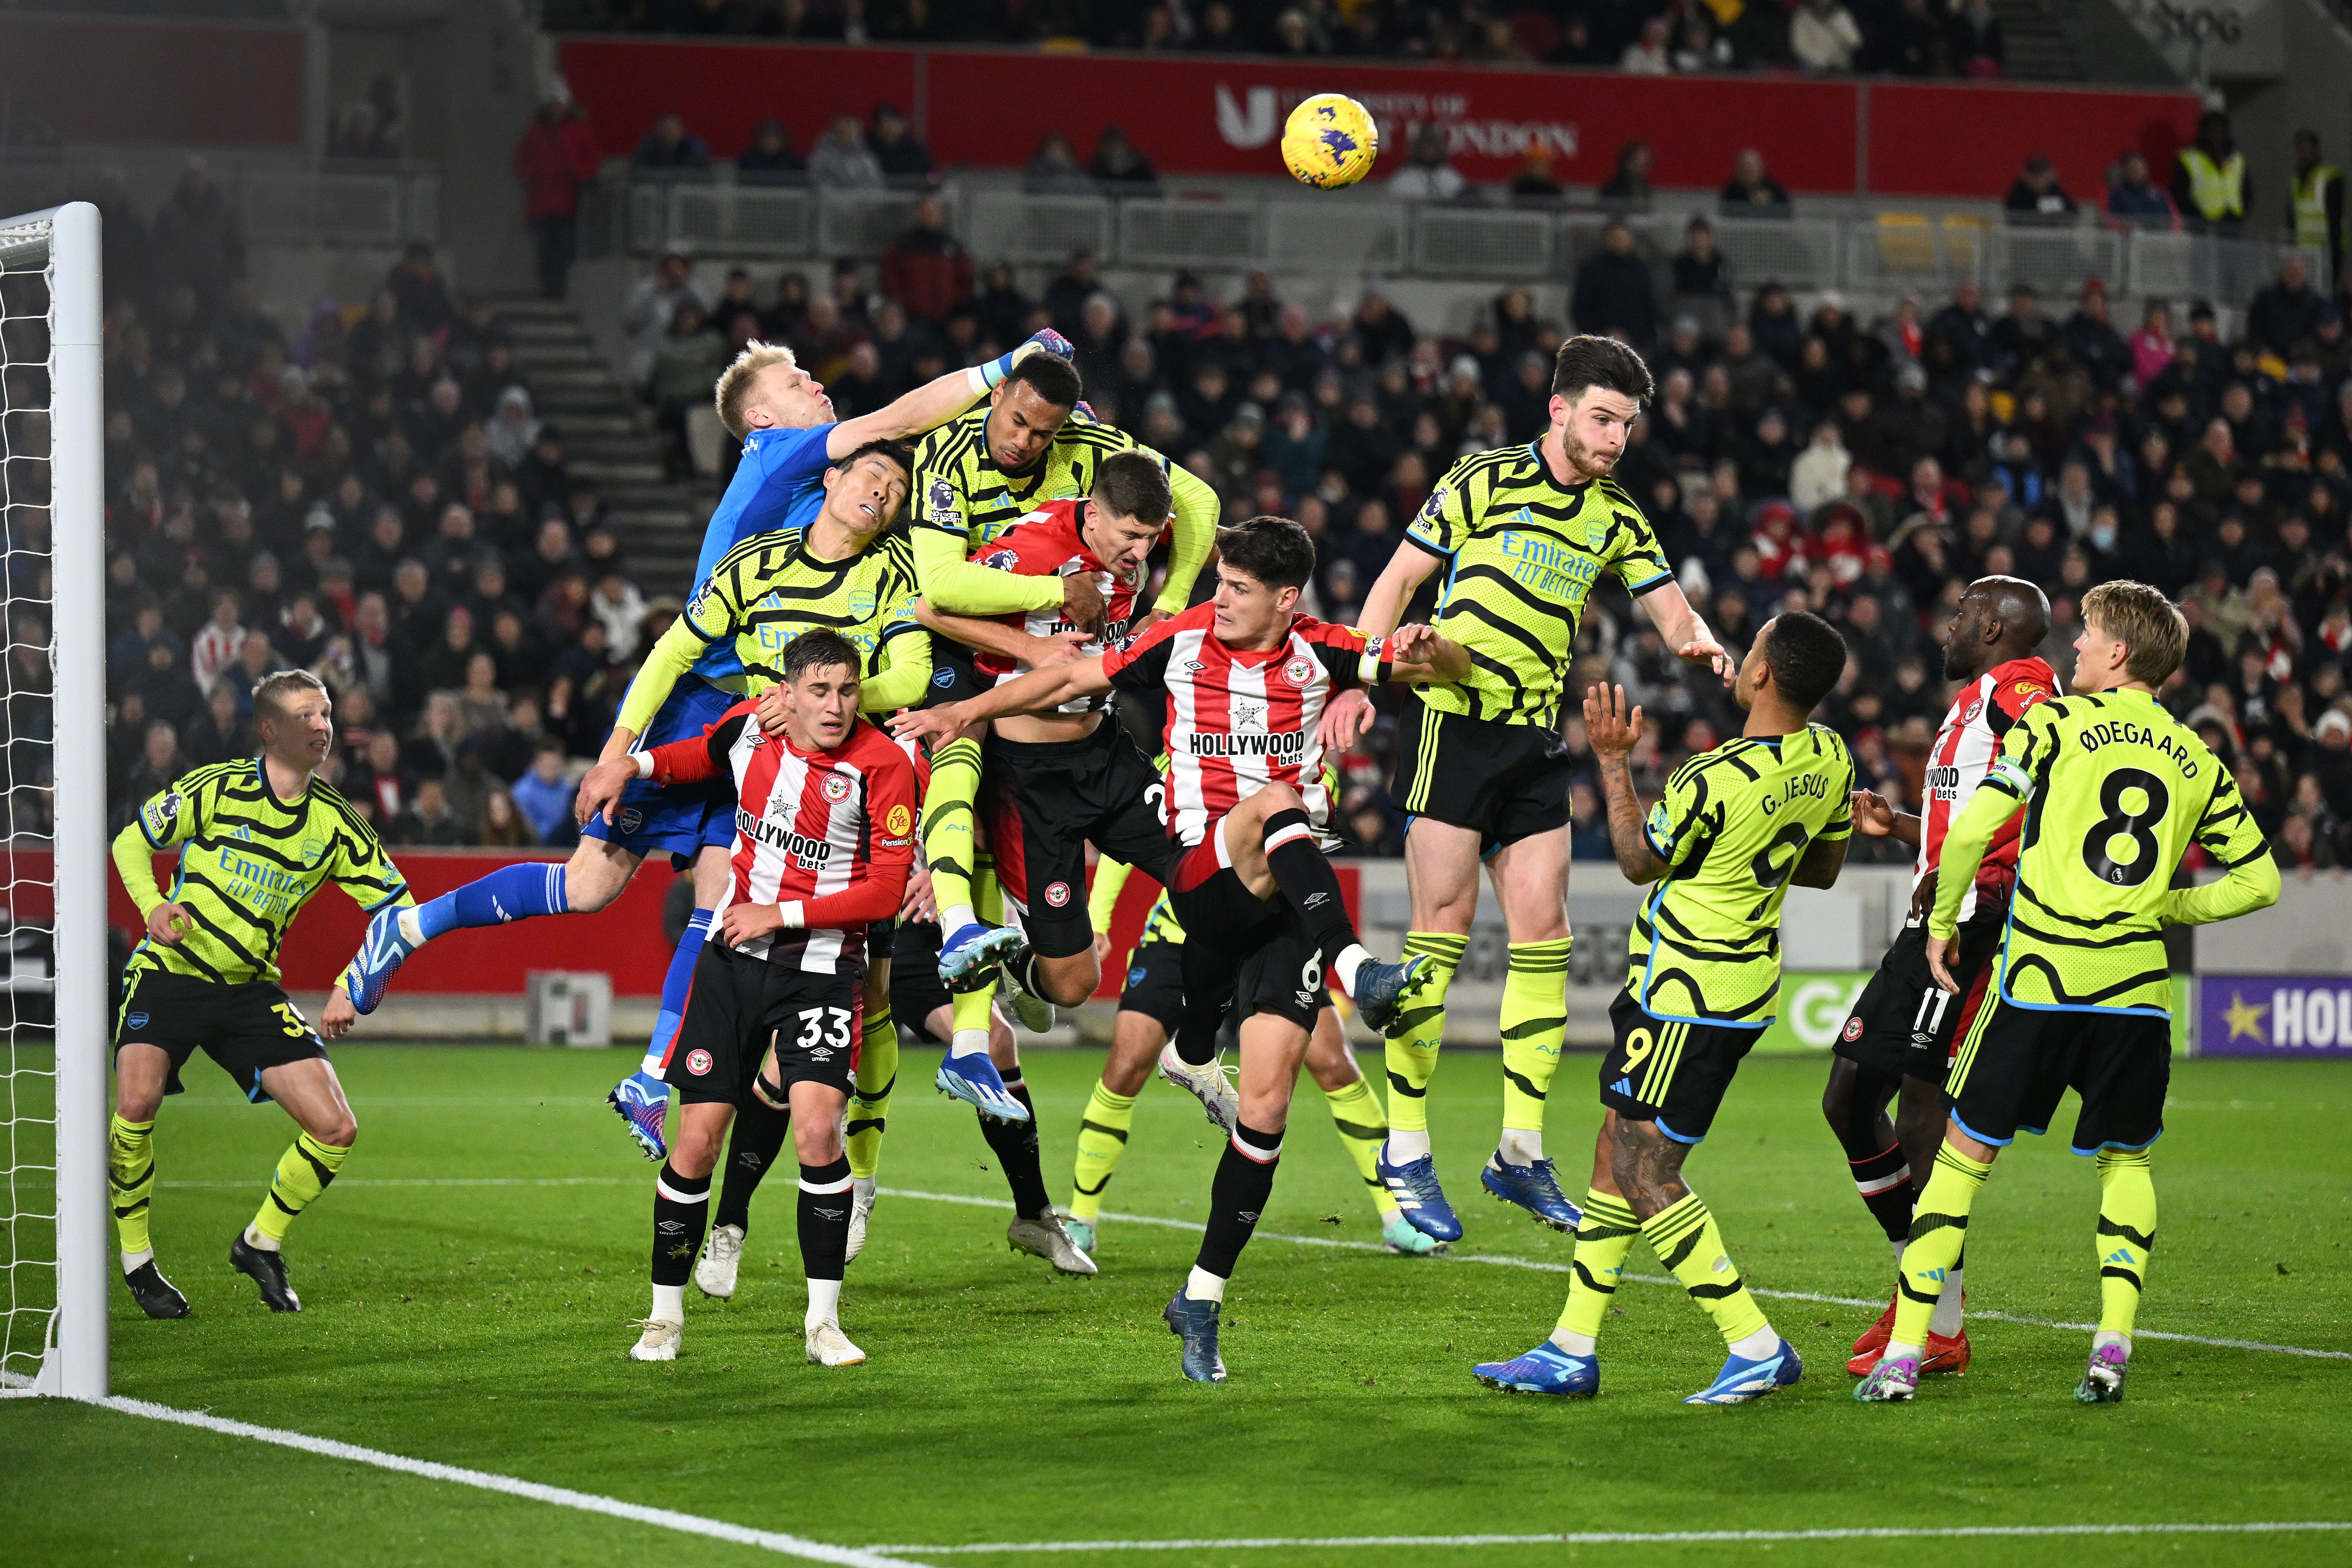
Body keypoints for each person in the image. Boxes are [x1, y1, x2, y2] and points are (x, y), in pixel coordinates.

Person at [343, 330, 1076, 1162]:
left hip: (751, 714)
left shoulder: (834, 510)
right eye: (799, 379)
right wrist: (1004, 369)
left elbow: (919, 475)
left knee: (706, 888)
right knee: (594, 886)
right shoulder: (778, 455)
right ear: (762, 412)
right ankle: (411, 928)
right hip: (705, 705)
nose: (817, 384)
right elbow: (904, 416)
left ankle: (649, 1075)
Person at [896, 516, 1466, 1381]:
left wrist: (1425, 653)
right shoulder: (1180, 637)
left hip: (1286, 903)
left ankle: (1198, 1297)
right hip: (1204, 870)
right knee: (1275, 800)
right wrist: (965, 708)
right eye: (1218, 580)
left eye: (1237, 588)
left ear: (1286, 600)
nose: (1218, 597)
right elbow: (1072, 673)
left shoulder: (1324, 650)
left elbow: (1441, 667)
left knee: (1267, 1104)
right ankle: (1356, 970)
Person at [1343, 336, 1731, 1247]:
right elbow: (1399, 579)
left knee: (1545, 933)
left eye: (1627, 425)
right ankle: (1406, 1147)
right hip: (1449, 718)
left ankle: (1518, 1149)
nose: (1615, 438)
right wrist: (1360, 673)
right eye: (1602, 418)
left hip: (1531, 736)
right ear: (1557, 411)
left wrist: (1700, 643)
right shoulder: (1480, 480)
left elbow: (1670, 607)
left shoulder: (1616, 514)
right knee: (1435, 937)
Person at [1856, 582, 2280, 1404]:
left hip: (2038, 980)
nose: (2073, 650)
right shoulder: (2194, 756)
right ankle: (2110, 1345)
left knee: (1960, 1158)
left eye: (2085, 636)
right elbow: (2258, 880)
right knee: (2125, 1160)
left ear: (2117, 652)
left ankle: (1906, 1353)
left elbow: (1976, 827)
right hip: (2132, 989)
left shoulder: (2051, 723)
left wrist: (1941, 920)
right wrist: (2168, 905)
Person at [1473, 613, 1855, 1404]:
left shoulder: (1712, 777)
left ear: (1761, 677)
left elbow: (1637, 857)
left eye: (1748, 649)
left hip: (1688, 996)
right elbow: (1819, 868)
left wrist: (1611, 764)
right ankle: (1570, 1345)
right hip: (1733, 985)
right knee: (1615, 1148)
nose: (1741, 657)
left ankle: (1752, 1341)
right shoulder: (1830, 757)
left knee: (1647, 1172)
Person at [586, 631, 919, 1367]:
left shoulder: (884, 765)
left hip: (823, 969)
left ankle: (823, 1324)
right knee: (697, 1141)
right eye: (821, 691)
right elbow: (690, 756)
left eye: (847, 690)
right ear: (788, 693)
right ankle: (664, 1318)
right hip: (732, 966)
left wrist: (782, 914)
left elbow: (886, 890)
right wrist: (627, 764)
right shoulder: (750, 730)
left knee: (818, 1133)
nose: (835, 706)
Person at [903, 355, 1218, 1097]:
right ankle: (1016, 964)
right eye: (1129, 537)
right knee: (1071, 988)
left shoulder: (1134, 535)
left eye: (1152, 538)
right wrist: (1033, 641)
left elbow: (1200, 502)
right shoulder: (1034, 547)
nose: (1140, 553)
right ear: (1094, 511)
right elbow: (931, 603)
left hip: (1106, 755)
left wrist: (1169, 605)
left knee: (1213, 874)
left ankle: (1197, 1041)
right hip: (1029, 778)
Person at [108, 671, 408, 1320]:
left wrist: (356, 983)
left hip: (249, 988)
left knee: (336, 1127)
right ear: (271, 729)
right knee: (137, 1101)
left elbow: (399, 908)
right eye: (306, 714)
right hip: (173, 969)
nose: (322, 725)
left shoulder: (334, 822)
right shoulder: (215, 788)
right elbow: (131, 841)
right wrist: (154, 906)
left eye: (326, 713)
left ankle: (260, 1242)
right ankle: (137, 1262)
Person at [1825, 578, 2055, 1380]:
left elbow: (2053, 784)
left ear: (1992, 625)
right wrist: (1898, 828)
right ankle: (1914, 1277)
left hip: (1973, 925)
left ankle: (1936, 1318)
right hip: (1931, 920)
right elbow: (1972, 819)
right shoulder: (1972, 702)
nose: (1948, 620)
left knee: (1922, 1103)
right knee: (1849, 1094)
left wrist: (2000, 884)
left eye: (1960, 610)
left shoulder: (2022, 689)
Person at [1071, 855, 1443, 1260]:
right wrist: (1096, 918)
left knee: (1334, 1064)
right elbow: (1131, 825)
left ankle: (1395, 1216)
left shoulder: (1304, 790)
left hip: (1272, 931)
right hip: (1183, 926)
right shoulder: (1198, 789)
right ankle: (1081, 1217)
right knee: (1126, 1064)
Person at [879, 195, 973, 326]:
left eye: (932, 211)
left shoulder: (953, 248)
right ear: (918, 213)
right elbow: (889, 278)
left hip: (948, 323)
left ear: (940, 214)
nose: (929, 215)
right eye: (925, 211)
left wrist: (956, 307)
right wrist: (902, 304)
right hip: (911, 321)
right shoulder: (903, 246)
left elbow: (966, 281)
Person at [1570, 221, 1658, 349]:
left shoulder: (1640, 270)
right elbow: (1580, 307)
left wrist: (1637, 337)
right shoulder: (1591, 269)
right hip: (1598, 345)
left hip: (1634, 344)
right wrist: (1599, 336)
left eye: (1623, 237)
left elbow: (1648, 307)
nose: (1620, 241)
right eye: (1615, 238)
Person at [2173, 110, 2247, 233]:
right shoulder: (2190, 158)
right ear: (2204, 132)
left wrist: (2239, 216)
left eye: (2221, 129)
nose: (2217, 134)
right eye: (2213, 129)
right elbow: (2180, 194)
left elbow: (2246, 192)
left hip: (2232, 225)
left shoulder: (2236, 159)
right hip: (2202, 227)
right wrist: (2196, 219)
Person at [2289, 130, 2344, 289]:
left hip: (2324, 252)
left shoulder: (2329, 177)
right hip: (2301, 252)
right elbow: (2292, 219)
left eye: (2308, 148)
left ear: (2316, 149)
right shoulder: (2296, 180)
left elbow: (2335, 221)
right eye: (2301, 149)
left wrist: (2334, 257)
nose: (2304, 153)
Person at [1388, 124, 1466, 203]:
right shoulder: (1404, 177)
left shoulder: (1450, 175)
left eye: (1432, 146)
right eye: (1424, 146)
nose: (1428, 151)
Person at [2103, 149, 2177, 229]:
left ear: (2146, 169)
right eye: (2132, 168)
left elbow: (2175, 222)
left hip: (2159, 238)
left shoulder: (2161, 195)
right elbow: (2108, 221)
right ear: (2125, 171)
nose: (2136, 171)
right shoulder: (2115, 196)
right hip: (2128, 239)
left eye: (2139, 167)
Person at [809, 114, 884, 190]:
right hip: (831, 200)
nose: (848, 135)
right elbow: (818, 184)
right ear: (834, 133)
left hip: (862, 200)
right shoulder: (821, 159)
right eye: (842, 131)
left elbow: (876, 185)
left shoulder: (868, 160)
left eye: (851, 132)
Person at [1721, 149, 1792, 216]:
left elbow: (1785, 211)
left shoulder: (1773, 188)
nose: (1749, 171)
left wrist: (1766, 206)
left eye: (1752, 168)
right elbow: (1726, 212)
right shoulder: (1731, 190)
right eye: (1745, 168)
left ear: (1760, 169)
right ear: (1738, 170)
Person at [2004, 155, 2075, 221]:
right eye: (2034, 175)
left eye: (2042, 175)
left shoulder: (2058, 193)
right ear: (2026, 175)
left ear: (2051, 174)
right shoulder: (2018, 196)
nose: (2038, 179)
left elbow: (2072, 215)